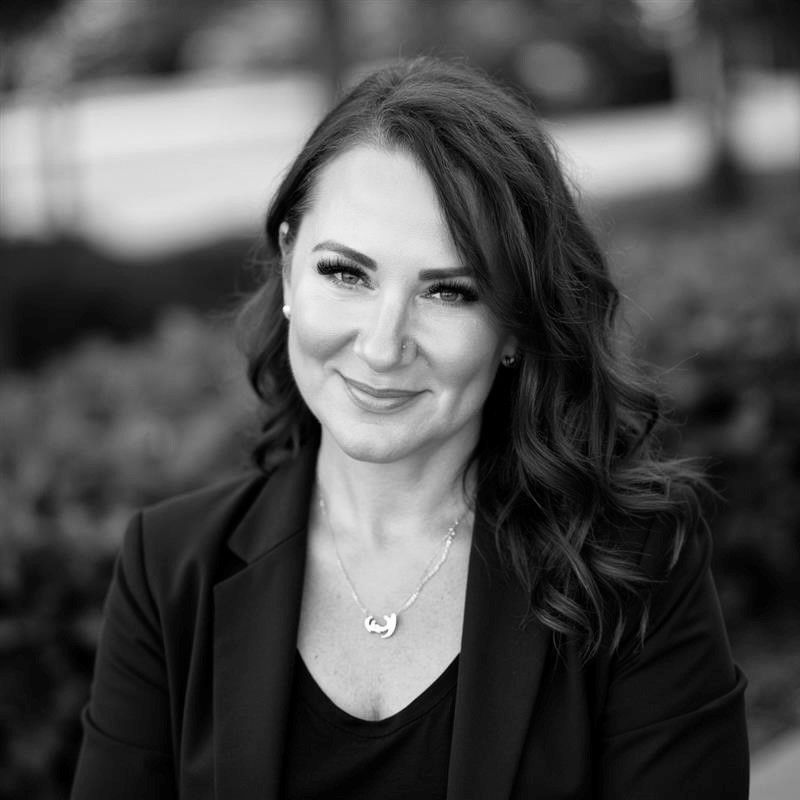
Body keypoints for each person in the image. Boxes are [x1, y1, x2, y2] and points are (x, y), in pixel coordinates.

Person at [71, 58, 748, 799]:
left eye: (450, 291)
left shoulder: (632, 566)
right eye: (346, 273)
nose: (383, 346)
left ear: (517, 324)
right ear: (290, 266)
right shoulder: (168, 568)